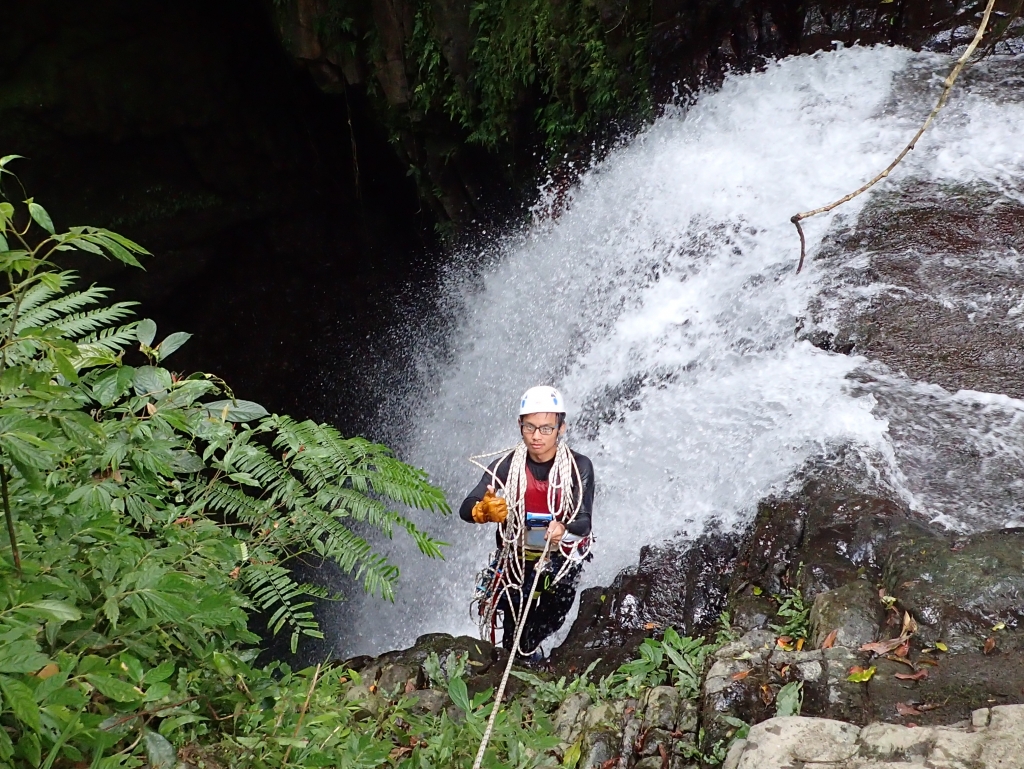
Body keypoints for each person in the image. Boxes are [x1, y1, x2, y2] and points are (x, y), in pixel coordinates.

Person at [460, 386, 595, 660]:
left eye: (546, 428)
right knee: (513, 619)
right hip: (516, 557)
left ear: (561, 428)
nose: (536, 436)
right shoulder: (508, 466)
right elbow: (466, 506)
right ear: (519, 426)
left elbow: (583, 520)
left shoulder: (578, 466)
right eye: (529, 427)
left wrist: (563, 528)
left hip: (562, 556)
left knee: (551, 611)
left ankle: (530, 651)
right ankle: (517, 662)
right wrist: (482, 511)